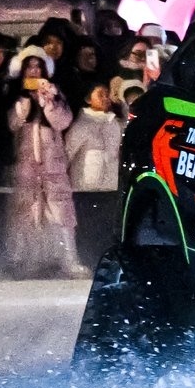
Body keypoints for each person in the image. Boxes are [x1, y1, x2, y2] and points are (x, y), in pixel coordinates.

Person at [6, 47, 85, 279]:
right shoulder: (14, 94)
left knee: (61, 213)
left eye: (37, 66)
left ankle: (69, 260)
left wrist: (49, 101)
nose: (33, 71)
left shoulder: (55, 93)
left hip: (53, 164)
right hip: (25, 165)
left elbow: (63, 122)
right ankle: (26, 261)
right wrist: (24, 101)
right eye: (29, 66)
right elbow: (13, 124)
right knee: (26, 213)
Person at [66, 82, 125, 266]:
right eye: (100, 94)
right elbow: (67, 154)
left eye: (107, 94)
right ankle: (85, 261)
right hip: (85, 188)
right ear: (88, 98)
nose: (105, 98)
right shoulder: (81, 125)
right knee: (86, 226)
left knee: (106, 227)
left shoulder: (115, 122)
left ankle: (104, 261)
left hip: (110, 186)